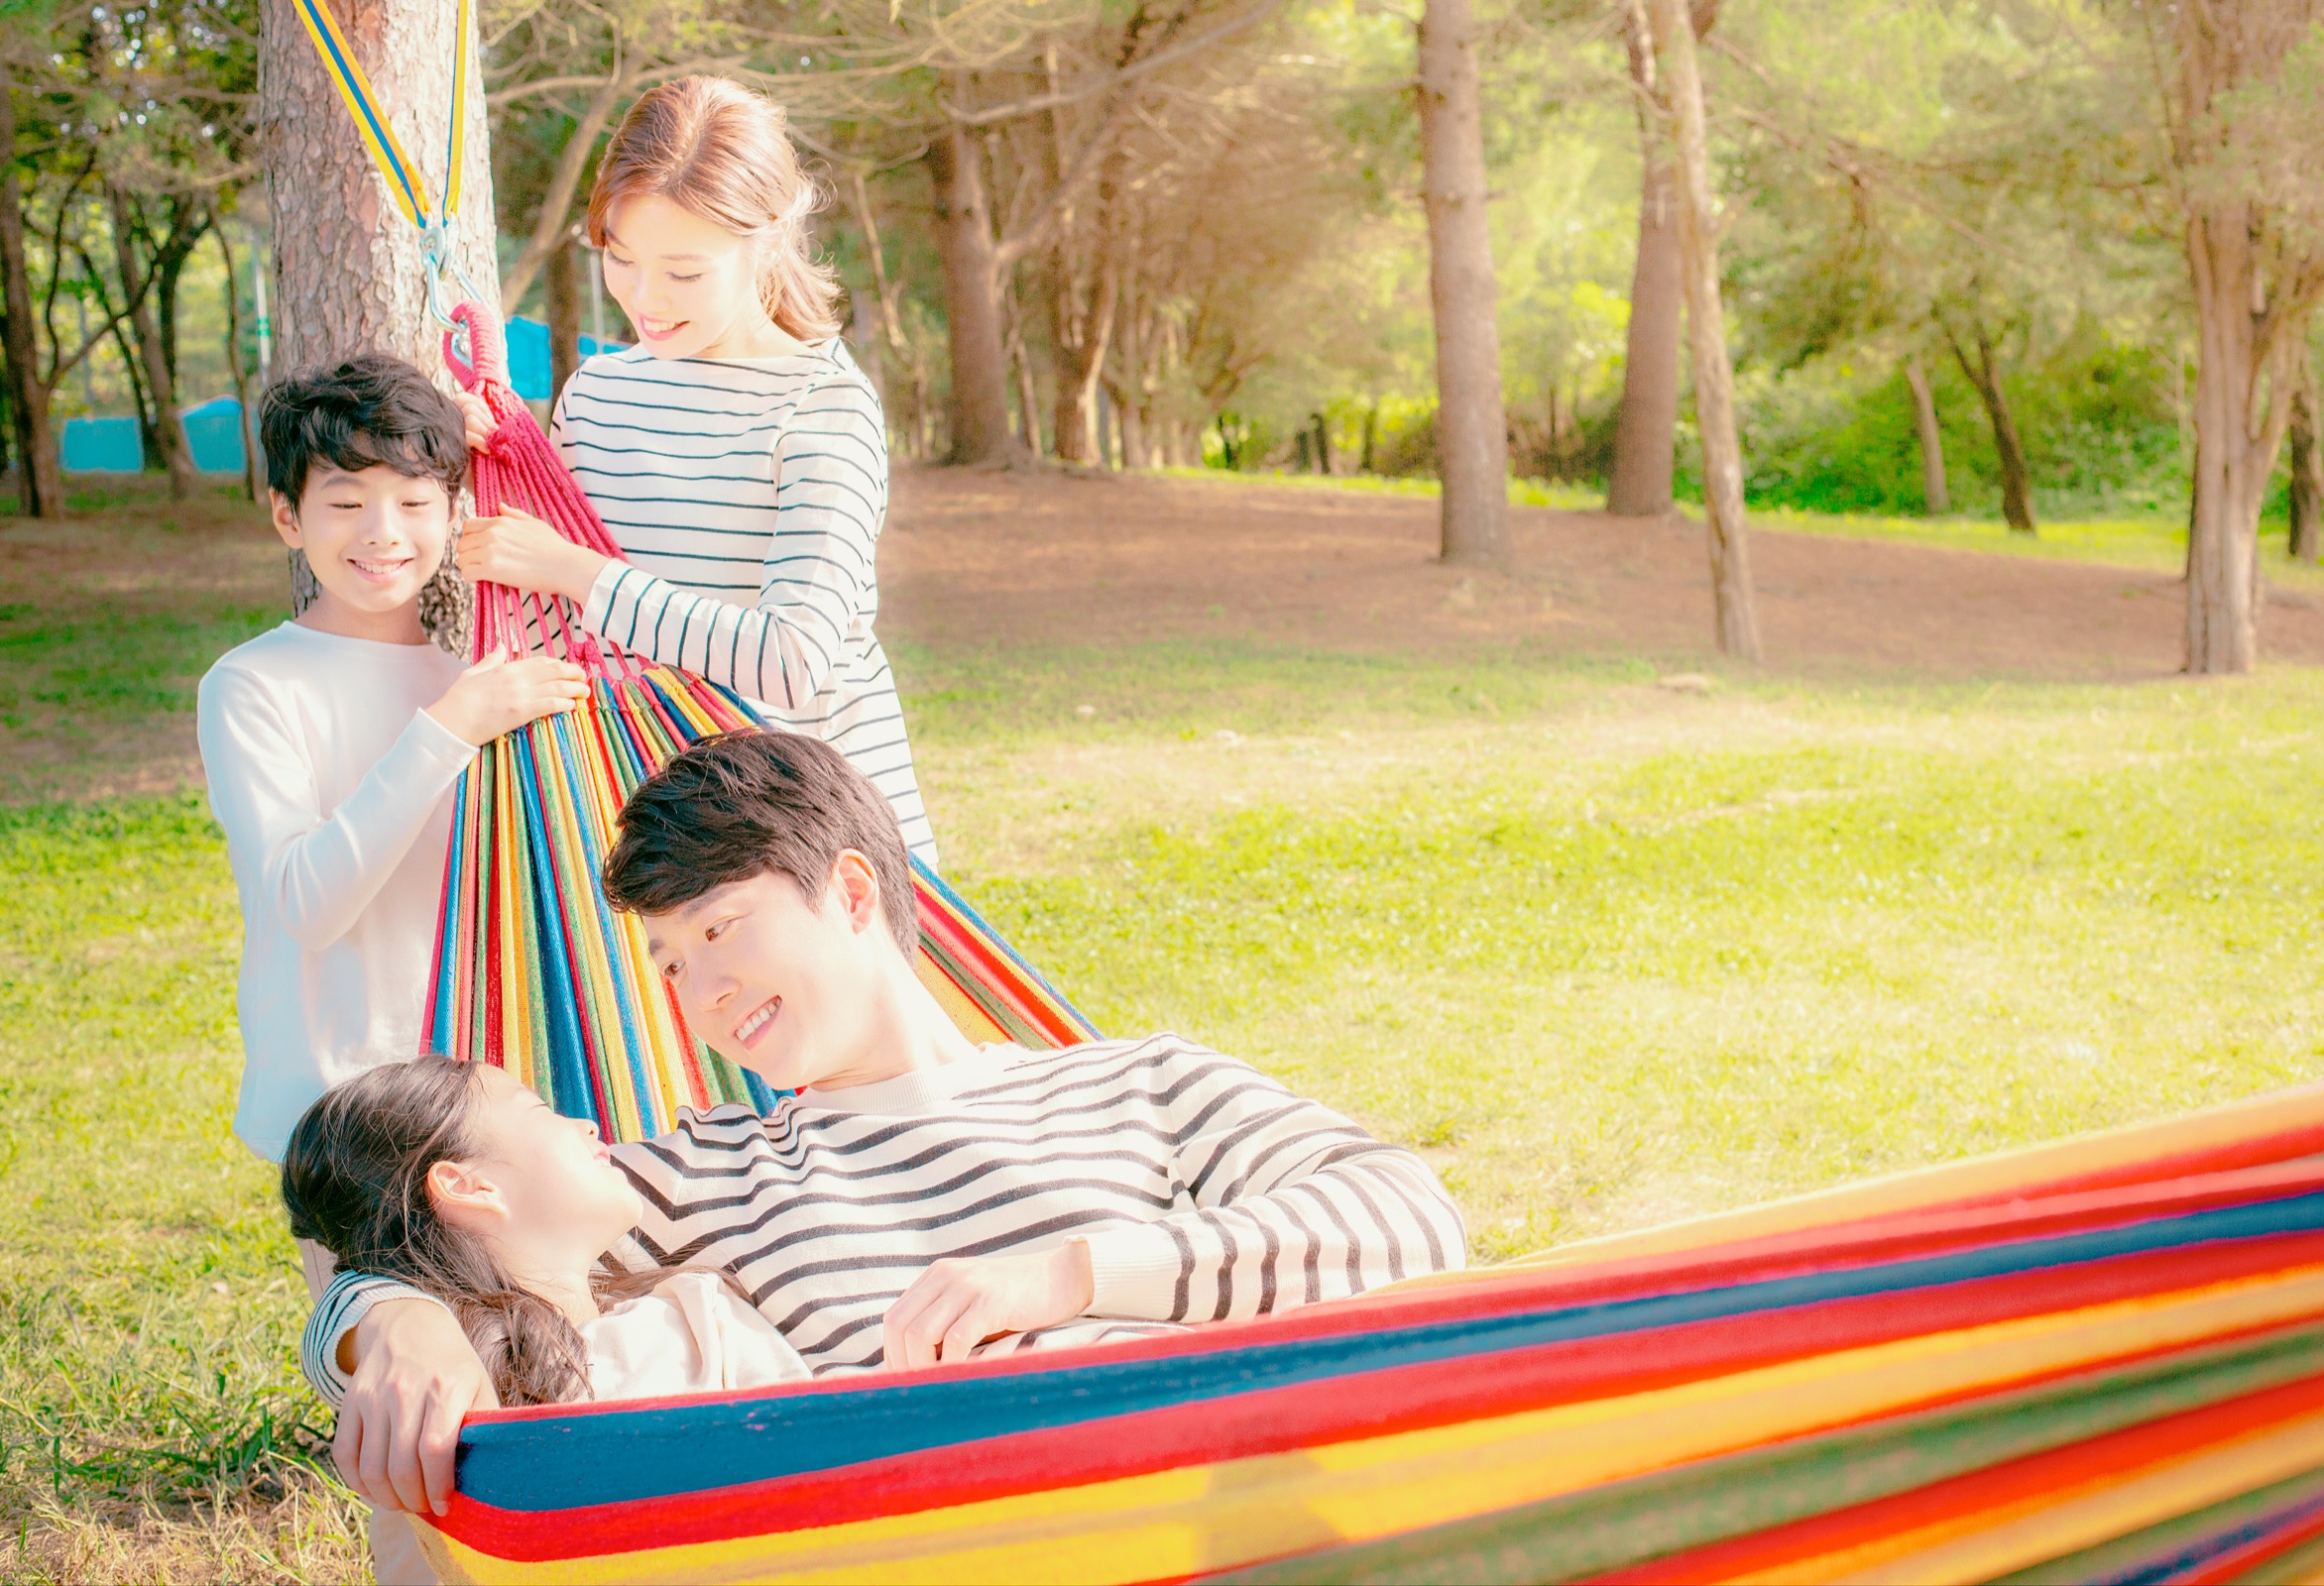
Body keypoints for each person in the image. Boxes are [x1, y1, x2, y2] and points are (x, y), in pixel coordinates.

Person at [303, 731, 1468, 1519]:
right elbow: (394, 1229)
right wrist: (394, 1324)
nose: (701, 990)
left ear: (853, 893)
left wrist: (1069, 1273)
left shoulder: (1142, 1084)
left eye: (721, 929)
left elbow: (1411, 1221)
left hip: (1224, 1502)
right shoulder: (717, 1174)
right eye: (669, 962)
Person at [196, 353, 591, 1581]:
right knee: (417, 1419)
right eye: (346, 501)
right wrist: (450, 727)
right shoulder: (256, 685)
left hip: (486, 1104)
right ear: (288, 518)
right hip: (350, 1116)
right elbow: (304, 900)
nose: (384, 532)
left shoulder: (483, 672)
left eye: (416, 500)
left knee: (538, 1386)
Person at [452, 75, 936, 864]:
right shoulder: (597, 396)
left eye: (684, 273)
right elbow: (560, 636)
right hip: (658, 839)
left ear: (767, 239)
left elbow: (791, 661)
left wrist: (577, 571)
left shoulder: (824, 406)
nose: (645, 299)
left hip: (817, 844)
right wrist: (478, 473)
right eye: (620, 258)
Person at [284, 1055, 811, 1409]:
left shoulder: (700, 1312)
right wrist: (394, 1321)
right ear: (470, 1186)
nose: (587, 1124)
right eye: (541, 1109)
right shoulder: (438, 1384)